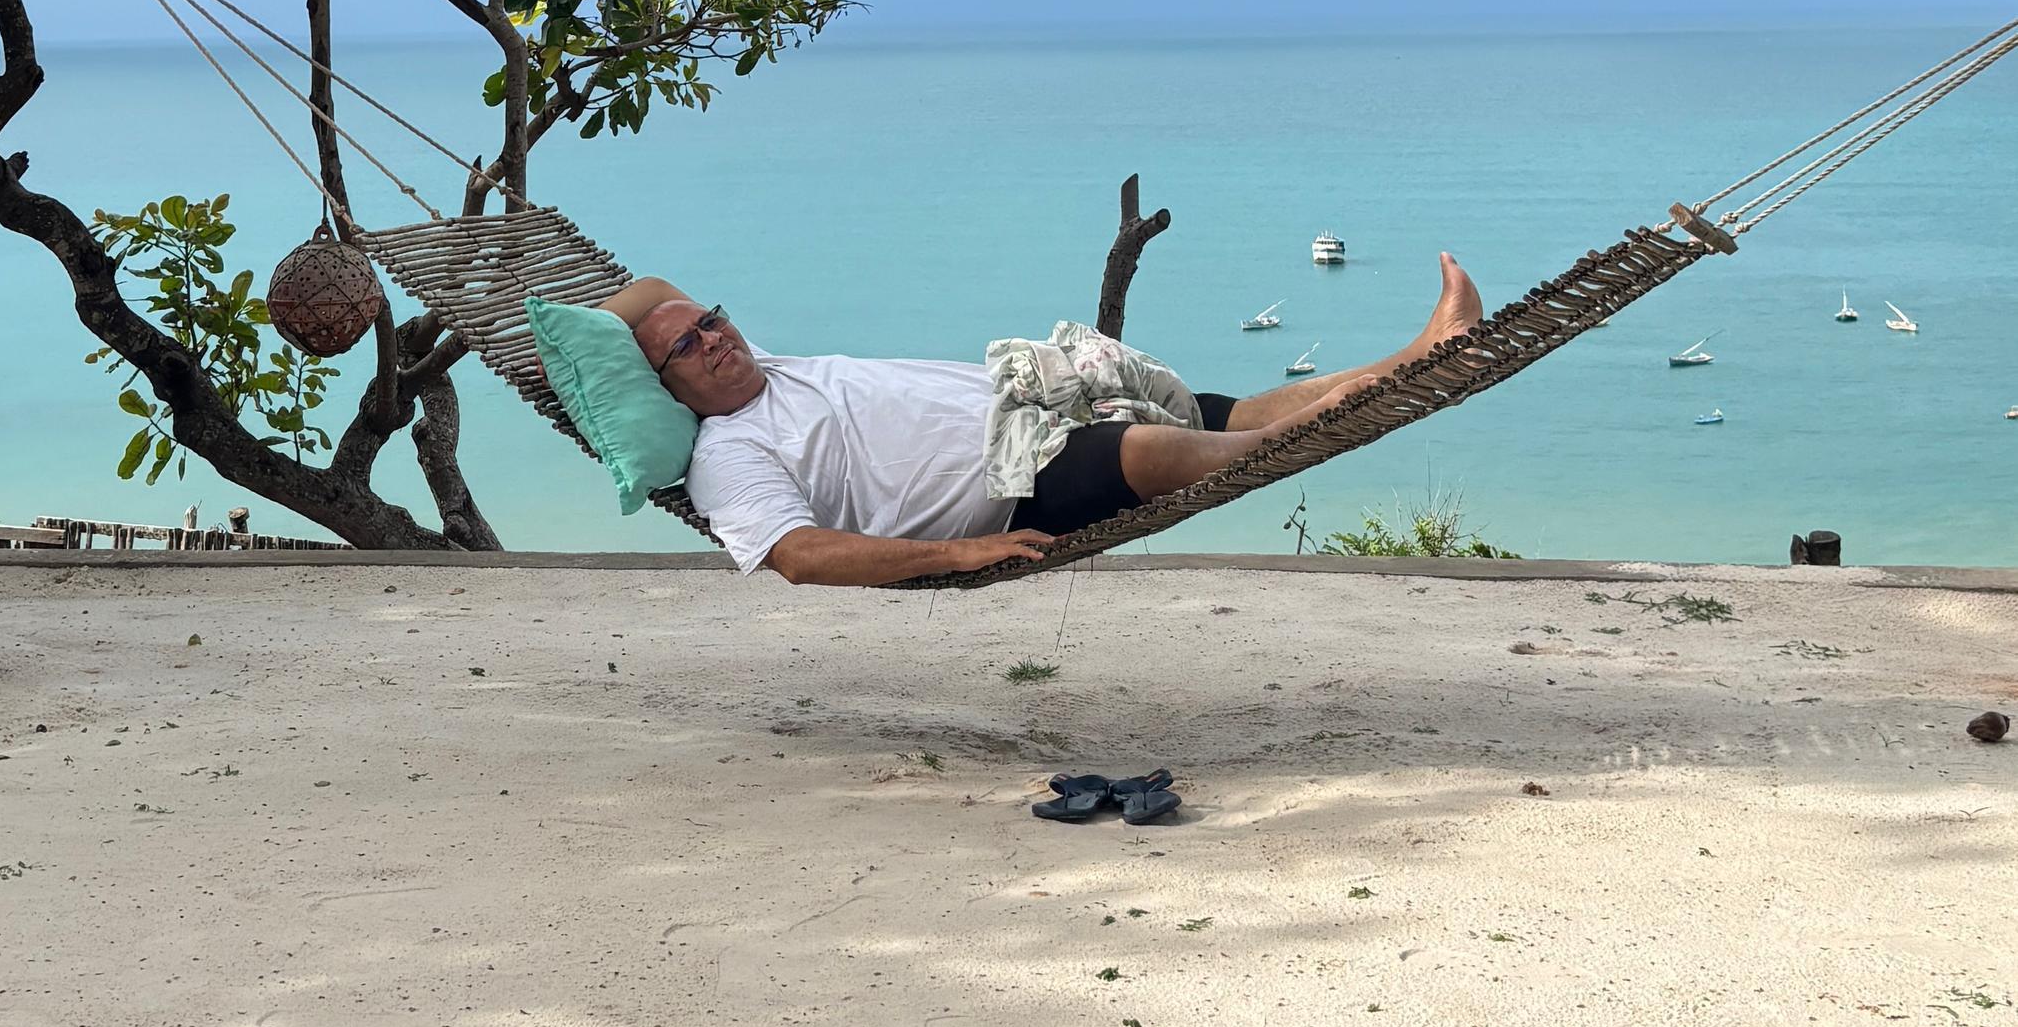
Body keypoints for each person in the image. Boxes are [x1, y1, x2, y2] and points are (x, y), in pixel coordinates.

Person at [602, 259, 1485, 585]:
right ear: (666, 389)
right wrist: (955, 555)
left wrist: (646, 328)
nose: (712, 341)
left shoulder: (776, 369)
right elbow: (795, 555)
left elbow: (643, 291)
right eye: (684, 349)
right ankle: (1313, 427)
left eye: (710, 319)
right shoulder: (729, 451)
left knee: (1221, 409)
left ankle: (1420, 355)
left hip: (1044, 409)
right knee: (1161, 447)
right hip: (1013, 490)